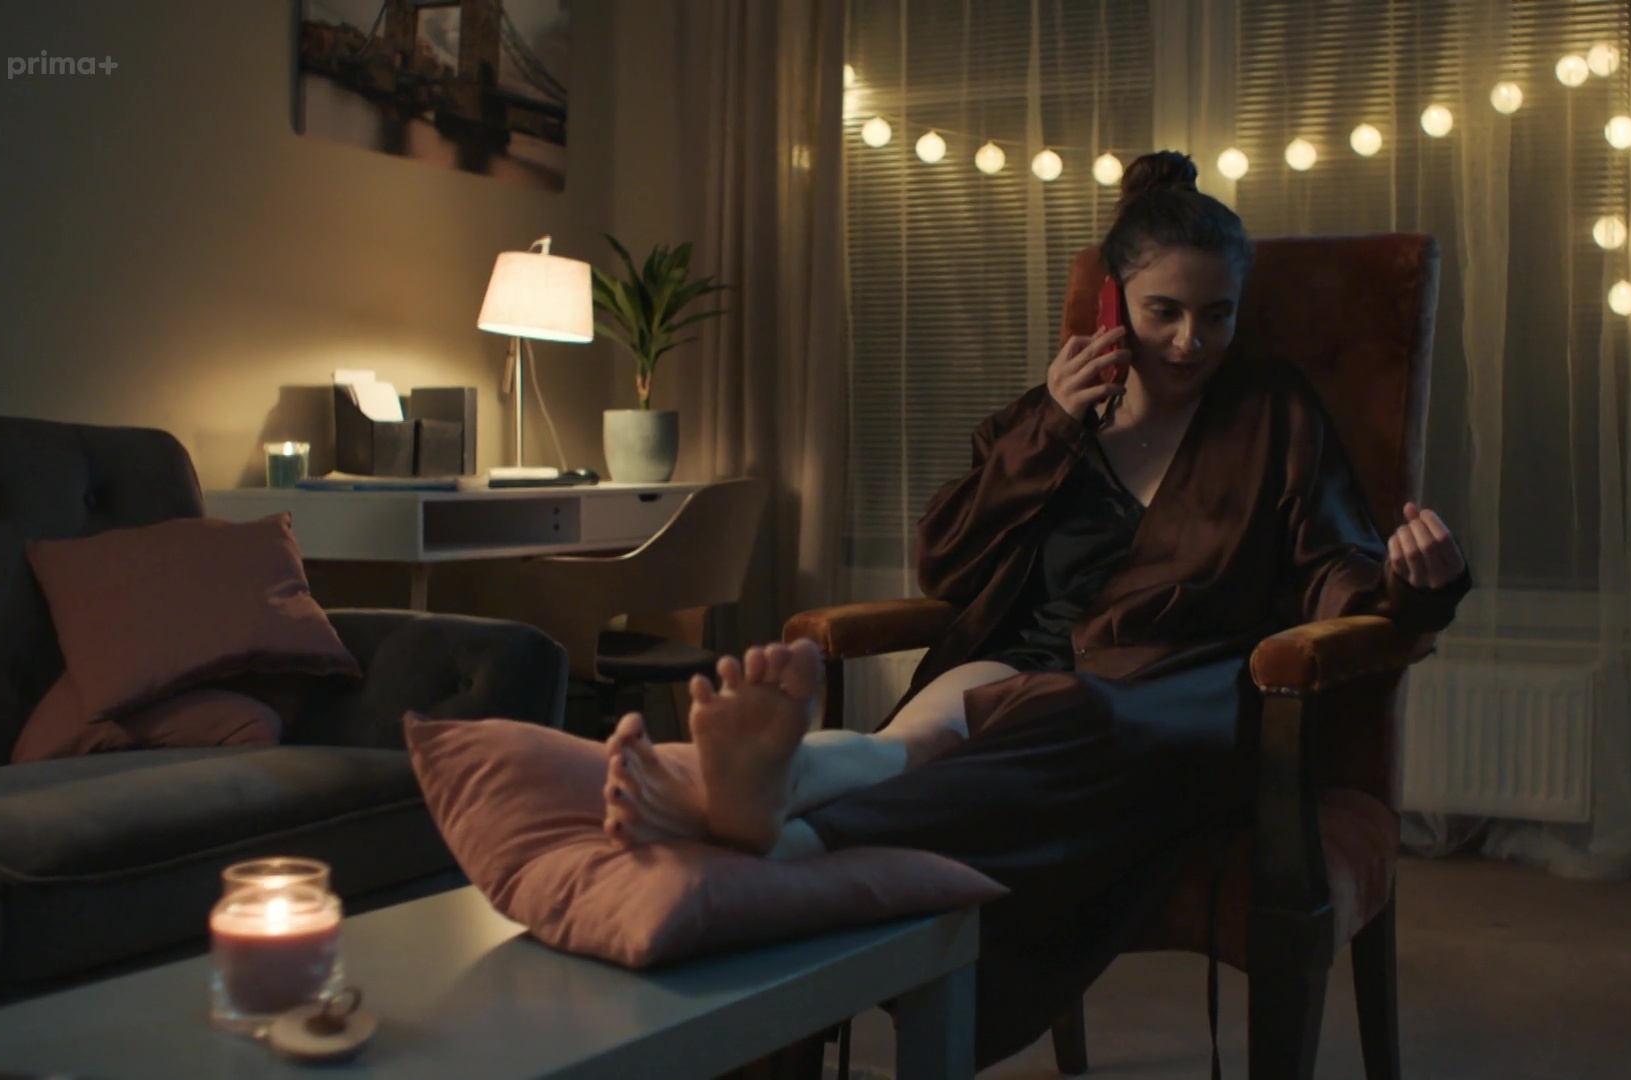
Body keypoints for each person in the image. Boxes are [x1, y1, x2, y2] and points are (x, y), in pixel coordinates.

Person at [601, 149, 1472, 1068]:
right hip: (1023, 662)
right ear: (1114, 303)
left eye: (1217, 315)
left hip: (1171, 696)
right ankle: (758, 787)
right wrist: (1053, 426)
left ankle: (793, 845)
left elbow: (1336, 566)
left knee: (1067, 712)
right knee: (927, 734)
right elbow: (946, 564)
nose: (1191, 343)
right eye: (1164, 312)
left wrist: (1415, 582)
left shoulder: (1271, 410)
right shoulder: (1050, 415)